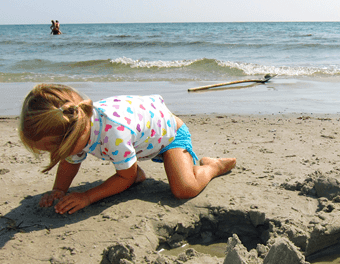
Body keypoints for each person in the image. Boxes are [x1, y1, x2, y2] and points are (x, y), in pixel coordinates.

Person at [18, 84, 236, 215]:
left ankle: (212, 166)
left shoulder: (114, 133)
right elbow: (70, 162)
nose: (56, 156)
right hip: (142, 137)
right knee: (127, 171)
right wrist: (59, 190)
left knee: (184, 189)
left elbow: (124, 177)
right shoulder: (76, 124)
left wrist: (87, 197)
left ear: (77, 131)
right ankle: (137, 172)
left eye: (55, 149)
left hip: (169, 134)